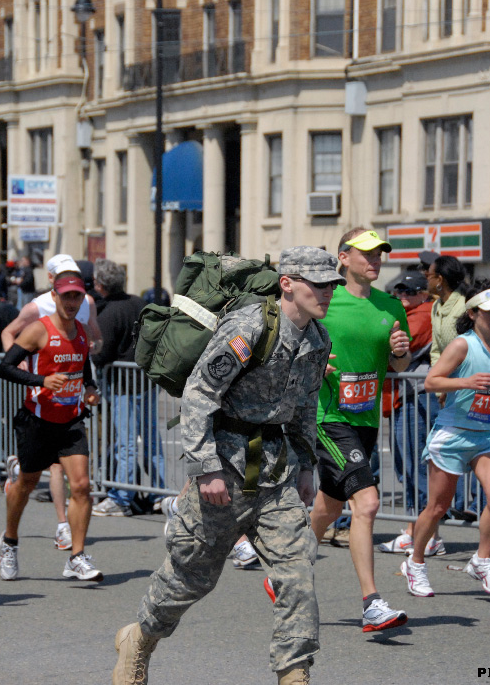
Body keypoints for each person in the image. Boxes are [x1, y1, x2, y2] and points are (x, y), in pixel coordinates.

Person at [112, 246, 335, 685]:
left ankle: (294, 674)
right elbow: (200, 392)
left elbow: (306, 406)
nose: (326, 292)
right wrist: (205, 466)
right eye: (317, 283)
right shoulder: (249, 326)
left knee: (297, 574)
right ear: (288, 284)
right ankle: (139, 639)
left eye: (332, 285)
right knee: (191, 577)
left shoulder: (317, 339)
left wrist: (307, 465)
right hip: (225, 467)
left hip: (275, 473)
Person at [297, 228, 410, 633]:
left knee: (328, 508)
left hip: (366, 419)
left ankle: (288, 570)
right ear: (343, 258)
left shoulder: (390, 305)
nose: (375, 260)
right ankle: (372, 602)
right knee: (367, 502)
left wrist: (400, 351)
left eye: (379, 254)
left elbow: (399, 365)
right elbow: (293, 339)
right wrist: (312, 360)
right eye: (367, 253)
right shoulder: (327, 299)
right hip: (329, 416)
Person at [400, 280, 490, 598]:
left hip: (488, 433)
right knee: (438, 507)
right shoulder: (461, 345)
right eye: (489, 311)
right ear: (472, 313)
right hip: (454, 433)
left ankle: (482, 560)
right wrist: (466, 382)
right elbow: (431, 381)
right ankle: (415, 562)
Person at [0, 270, 103, 582]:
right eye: (66, 295)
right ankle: (9, 541)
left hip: (71, 421)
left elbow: (83, 369)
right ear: (54, 296)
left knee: (81, 486)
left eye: (77, 296)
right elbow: (5, 367)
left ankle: (76, 556)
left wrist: (90, 389)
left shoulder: (82, 331)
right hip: (37, 421)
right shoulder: (38, 330)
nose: (71, 302)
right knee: (26, 484)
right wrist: (41, 380)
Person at [91, 259, 164, 518]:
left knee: (127, 443)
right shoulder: (140, 304)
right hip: (146, 379)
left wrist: (93, 353)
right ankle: (159, 494)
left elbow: (102, 353)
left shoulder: (108, 313)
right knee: (151, 439)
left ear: (100, 285)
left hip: (123, 385)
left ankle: (121, 497)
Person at [379, 269, 441, 555]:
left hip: (416, 395)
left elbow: (396, 345)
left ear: (424, 294)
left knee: (417, 466)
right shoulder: (411, 312)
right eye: (399, 291)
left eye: (410, 292)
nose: (403, 296)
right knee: (408, 467)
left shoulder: (423, 313)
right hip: (403, 396)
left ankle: (428, 535)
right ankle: (413, 530)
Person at [425, 254, 479, 519]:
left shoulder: (464, 305)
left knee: (478, 443)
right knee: (452, 445)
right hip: (449, 386)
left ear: (440, 279)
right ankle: (456, 503)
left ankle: (479, 504)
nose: (425, 278)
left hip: (474, 385)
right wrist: (442, 387)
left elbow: (475, 346)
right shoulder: (436, 307)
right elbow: (437, 350)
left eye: (429, 274)